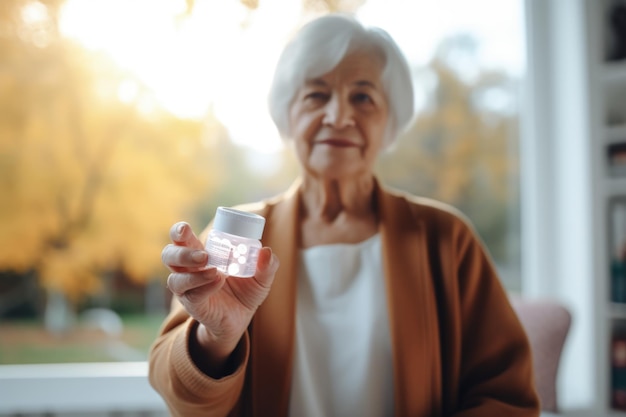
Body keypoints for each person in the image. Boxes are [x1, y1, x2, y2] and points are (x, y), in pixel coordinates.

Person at [149, 13, 540, 417]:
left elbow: (506, 396)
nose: (338, 116)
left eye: (363, 96)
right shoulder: (238, 236)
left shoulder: (446, 238)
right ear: (288, 114)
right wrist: (217, 336)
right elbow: (180, 397)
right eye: (316, 96)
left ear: (390, 120)